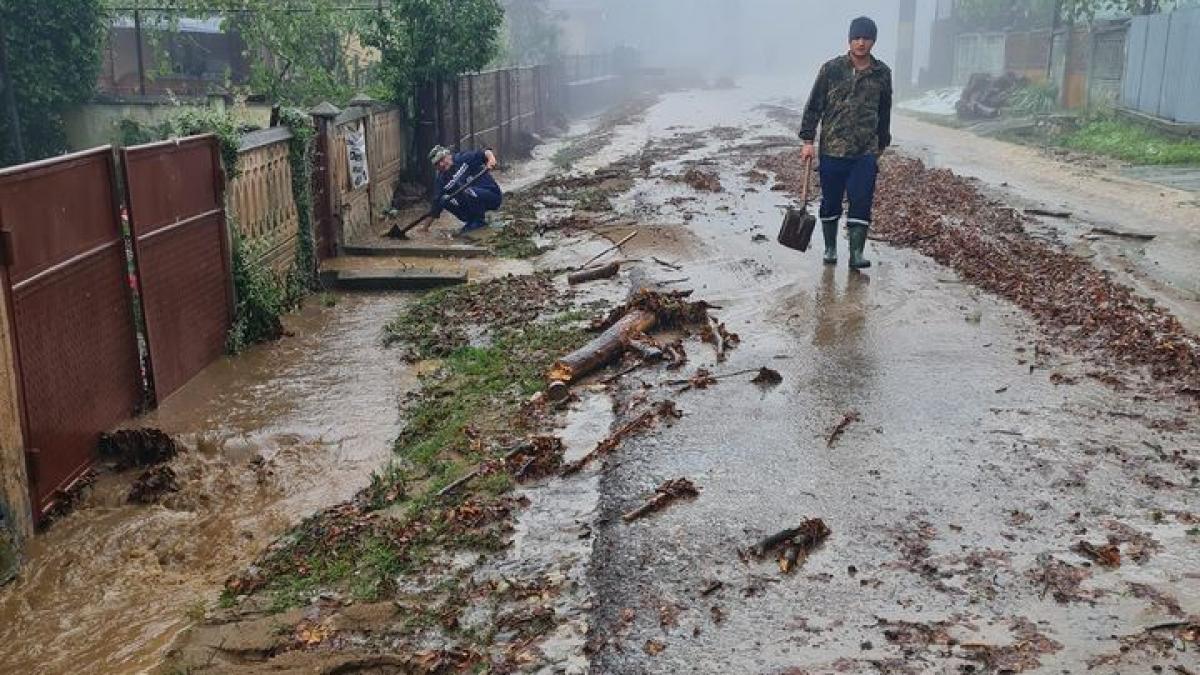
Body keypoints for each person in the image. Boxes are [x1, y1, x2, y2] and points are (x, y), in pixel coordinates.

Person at [799, 16, 893, 269]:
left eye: (866, 38)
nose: (861, 43)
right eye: (857, 38)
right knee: (830, 201)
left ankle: (856, 254)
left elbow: (884, 110)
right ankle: (830, 249)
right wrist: (808, 140)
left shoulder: (882, 73)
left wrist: (882, 143)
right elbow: (814, 105)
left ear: (873, 41)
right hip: (833, 149)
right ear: (849, 40)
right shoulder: (831, 69)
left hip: (865, 151)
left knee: (861, 200)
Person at [426, 145, 502, 235]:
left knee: (466, 190)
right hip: (470, 204)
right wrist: (425, 228)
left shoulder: (463, 158)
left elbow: (485, 152)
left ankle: (479, 221)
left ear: (448, 155)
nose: (441, 164)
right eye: (437, 164)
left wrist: (491, 159)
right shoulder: (441, 180)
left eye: (442, 159)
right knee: (444, 199)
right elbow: (436, 205)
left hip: (491, 196)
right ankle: (471, 221)